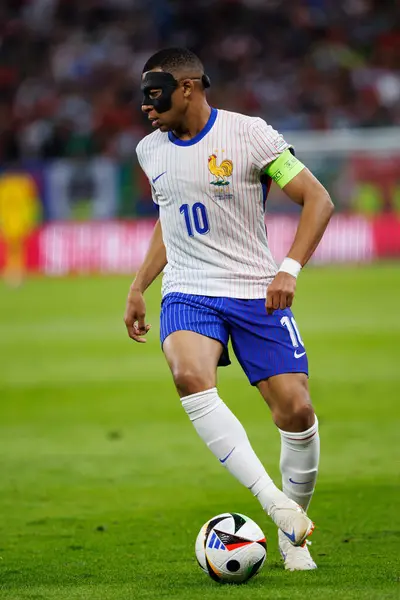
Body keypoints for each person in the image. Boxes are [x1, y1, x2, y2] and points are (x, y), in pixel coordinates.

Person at [124, 48, 334, 571]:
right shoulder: (149, 151)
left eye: (156, 94)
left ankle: (292, 537)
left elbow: (318, 200)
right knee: (190, 376)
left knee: (297, 411)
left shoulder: (250, 135)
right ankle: (273, 504)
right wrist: (138, 285)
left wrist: (289, 268)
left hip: (255, 288)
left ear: (189, 87)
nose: (146, 107)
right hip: (190, 289)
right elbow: (169, 217)